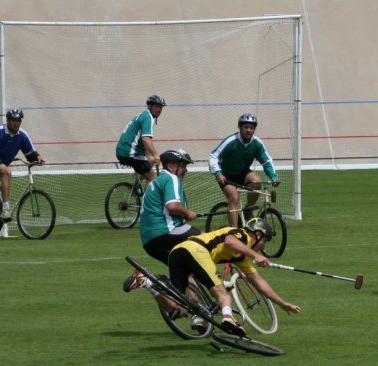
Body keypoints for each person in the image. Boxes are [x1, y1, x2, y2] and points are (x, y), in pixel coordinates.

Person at [167, 218, 301, 336]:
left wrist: (282, 303)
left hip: (176, 252)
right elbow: (230, 241)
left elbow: (259, 282)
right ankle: (227, 317)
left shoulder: (243, 258)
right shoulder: (241, 234)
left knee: (179, 304)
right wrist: (256, 255)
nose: (263, 246)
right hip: (196, 250)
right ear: (258, 234)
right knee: (223, 295)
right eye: (265, 241)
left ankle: (151, 285)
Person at [122, 149, 203, 326]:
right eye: (183, 166)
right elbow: (173, 206)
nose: (186, 171)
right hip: (165, 232)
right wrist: (187, 212)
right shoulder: (171, 178)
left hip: (149, 240)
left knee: (186, 269)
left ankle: (150, 283)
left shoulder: (156, 181)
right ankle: (210, 290)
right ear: (172, 165)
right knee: (204, 241)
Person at [0, 108, 45, 236]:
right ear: (8, 120)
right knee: (7, 172)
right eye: (13, 120)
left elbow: (30, 153)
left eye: (18, 120)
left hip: (2, 165)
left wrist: (37, 157)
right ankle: (6, 209)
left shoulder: (22, 135)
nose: (16, 123)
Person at [208, 113, 280, 227]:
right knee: (234, 198)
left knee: (256, 181)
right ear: (240, 127)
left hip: (242, 172)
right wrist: (217, 173)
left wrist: (273, 176)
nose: (249, 130)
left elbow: (266, 161)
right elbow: (213, 156)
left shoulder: (257, 143)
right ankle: (234, 230)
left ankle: (248, 210)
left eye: (251, 128)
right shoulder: (231, 141)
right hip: (226, 175)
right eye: (246, 127)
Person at [115, 95, 166, 186]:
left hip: (123, 151)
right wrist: (156, 155)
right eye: (157, 107)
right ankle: (147, 200)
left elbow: (140, 140)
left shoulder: (143, 115)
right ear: (150, 106)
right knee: (152, 178)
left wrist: (151, 155)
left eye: (161, 107)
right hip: (130, 153)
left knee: (150, 160)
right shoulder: (148, 117)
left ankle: (135, 185)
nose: (159, 110)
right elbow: (146, 139)